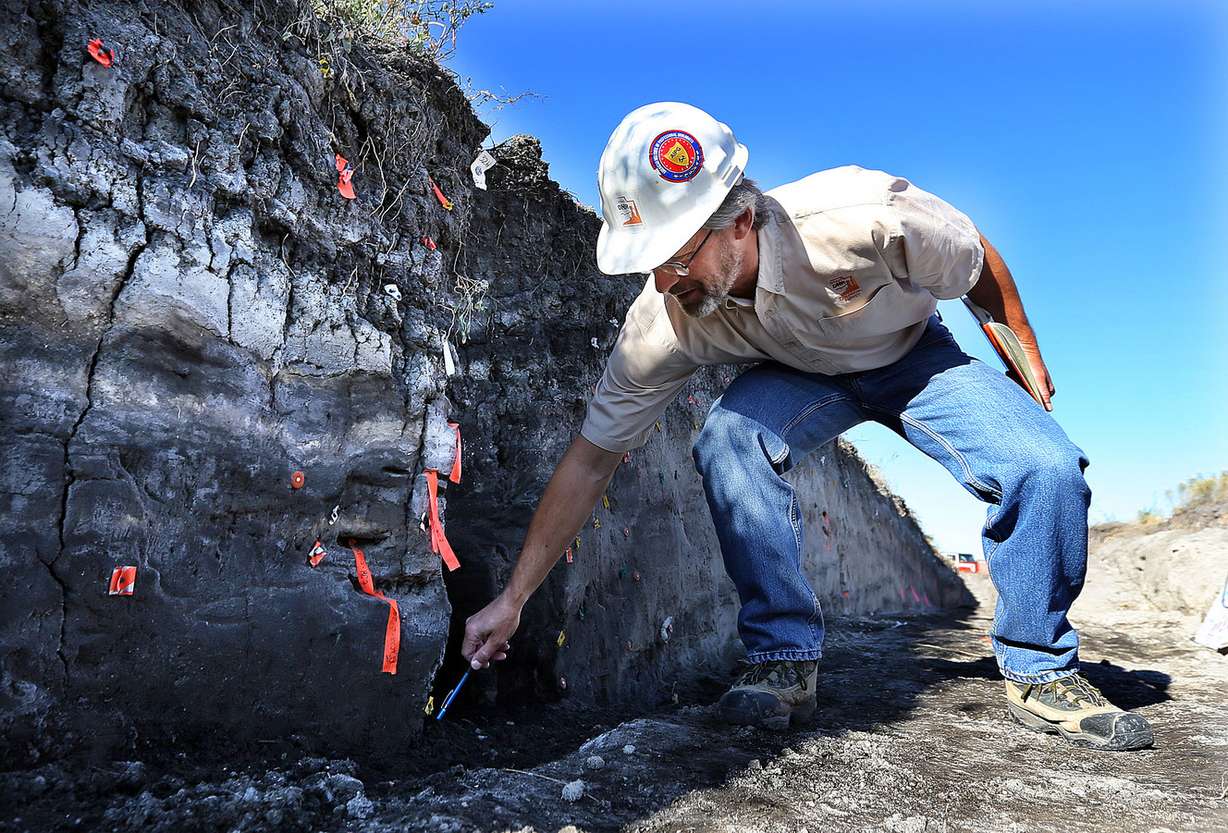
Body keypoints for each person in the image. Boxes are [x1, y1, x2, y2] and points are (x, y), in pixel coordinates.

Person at [462, 102, 1154, 752]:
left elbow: (975, 261)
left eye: (676, 256)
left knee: (1046, 464)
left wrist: (1024, 352)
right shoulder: (665, 319)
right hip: (798, 376)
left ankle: (1040, 669)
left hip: (915, 358)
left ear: (739, 220)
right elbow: (591, 459)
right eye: (651, 264)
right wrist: (514, 598)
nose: (667, 282)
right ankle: (783, 660)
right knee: (729, 440)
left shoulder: (865, 214)